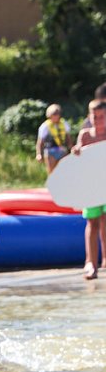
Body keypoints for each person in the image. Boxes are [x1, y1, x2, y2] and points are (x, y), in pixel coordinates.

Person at [71, 99, 106, 280]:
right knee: (92, 223)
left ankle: (105, 259)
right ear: (89, 117)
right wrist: (76, 151)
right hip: (91, 186)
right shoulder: (85, 135)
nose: (98, 120)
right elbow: (78, 157)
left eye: (101, 117)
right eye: (95, 116)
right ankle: (90, 262)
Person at [35, 104, 72, 175]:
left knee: (64, 172)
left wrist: (71, 149)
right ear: (49, 115)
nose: (56, 115)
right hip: (50, 152)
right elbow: (40, 142)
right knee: (52, 173)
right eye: (54, 114)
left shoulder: (64, 124)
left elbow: (68, 138)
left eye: (57, 113)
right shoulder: (45, 126)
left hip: (63, 151)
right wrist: (39, 154)